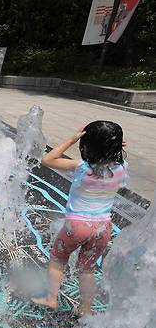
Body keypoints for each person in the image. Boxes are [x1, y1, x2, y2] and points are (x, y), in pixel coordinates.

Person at [32, 121, 128, 317]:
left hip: (76, 226)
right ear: (117, 147)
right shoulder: (122, 168)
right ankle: (85, 309)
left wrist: (72, 138)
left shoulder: (81, 167)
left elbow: (48, 159)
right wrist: (112, 147)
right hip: (103, 228)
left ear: (85, 146)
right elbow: (110, 157)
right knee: (87, 269)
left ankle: (51, 298)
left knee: (58, 260)